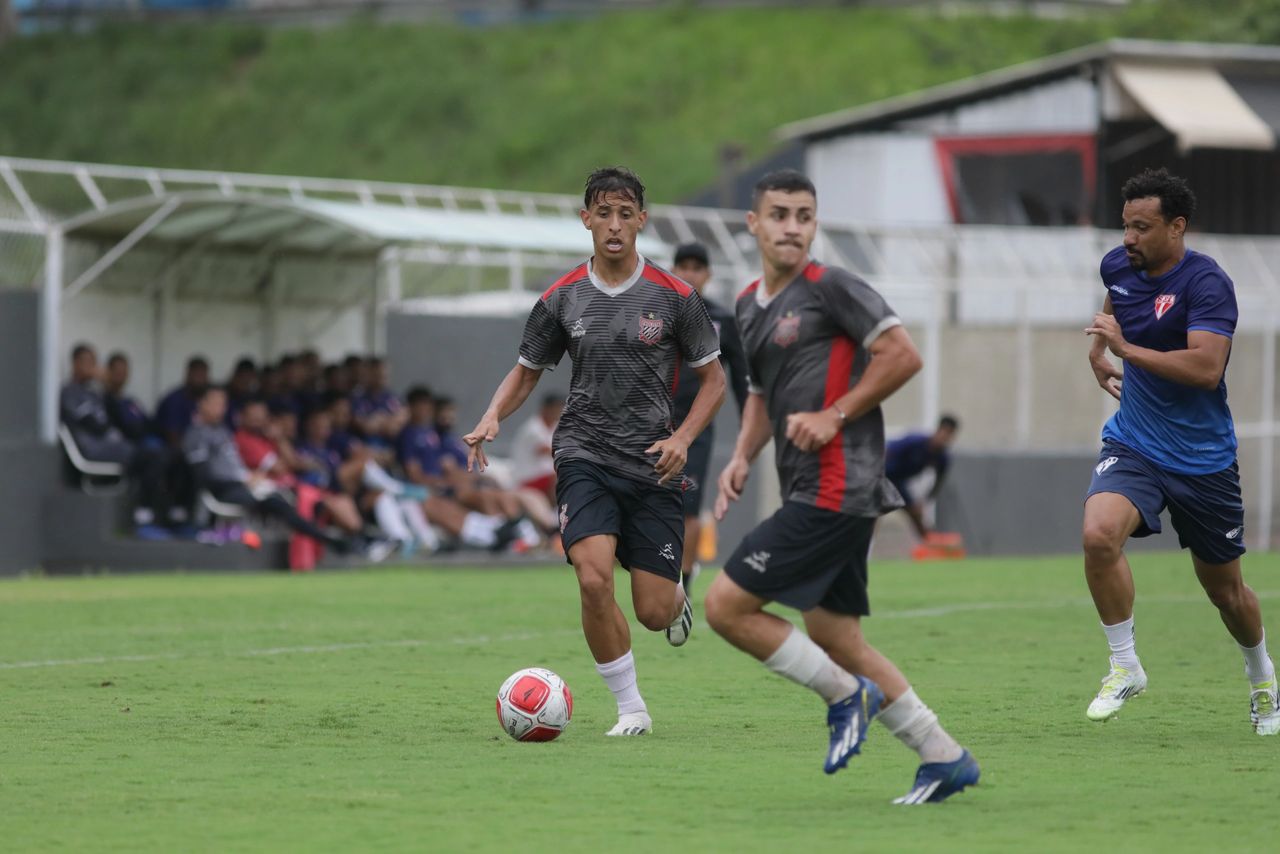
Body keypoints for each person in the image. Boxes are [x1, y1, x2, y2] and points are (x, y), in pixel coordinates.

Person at [709, 170, 978, 804]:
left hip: (838, 486)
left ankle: (843, 694)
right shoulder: (748, 304)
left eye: (804, 215)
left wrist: (836, 414)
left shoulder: (832, 289)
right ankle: (944, 755)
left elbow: (902, 354)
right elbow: (758, 393)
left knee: (726, 606)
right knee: (836, 637)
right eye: (779, 215)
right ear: (754, 224)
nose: (792, 227)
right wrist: (742, 456)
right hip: (814, 486)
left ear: (815, 224)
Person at [464, 166, 726, 736]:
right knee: (591, 578)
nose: (614, 225)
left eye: (625, 214)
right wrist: (490, 416)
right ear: (586, 219)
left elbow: (715, 382)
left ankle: (675, 591)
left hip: (654, 462)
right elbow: (526, 372)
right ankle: (631, 708)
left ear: (641, 222)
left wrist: (682, 438)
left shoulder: (677, 298)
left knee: (653, 612)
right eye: (603, 213)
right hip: (584, 454)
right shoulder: (560, 299)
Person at [1082, 167, 1277, 735]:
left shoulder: (1206, 284)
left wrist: (1125, 347)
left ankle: (1262, 677)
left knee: (1226, 593)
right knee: (1098, 535)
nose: (1128, 239)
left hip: (1202, 460)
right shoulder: (1119, 265)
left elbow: (1205, 367)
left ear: (1177, 226)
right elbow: (1113, 301)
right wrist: (1099, 347)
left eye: (1142, 227)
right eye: (1125, 226)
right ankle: (1124, 666)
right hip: (1136, 442)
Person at [181, 386, 359, 559]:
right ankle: (328, 539)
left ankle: (328, 538)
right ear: (202, 404)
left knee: (287, 501)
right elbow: (202, 476)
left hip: (246, 484)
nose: (220, 408)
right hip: (226, 489)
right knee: (279, 503)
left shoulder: (223, 431)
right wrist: (243, 479)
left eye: (223, 403)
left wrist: (249, 476)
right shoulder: (195, 435)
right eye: (215, 403)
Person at [669, 242, 750, 593]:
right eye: (682, 266)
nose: (689, 273)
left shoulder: (723, 320)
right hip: (649, 425)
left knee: (688, 504)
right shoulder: (656, 312)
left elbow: (742, 379)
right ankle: (656, 574)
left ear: (708, 274)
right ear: (673, 270)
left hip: (697, 428)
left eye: (696, 267)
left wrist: (750, 427)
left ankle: (683, 582)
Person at [884, 414, 960, 541]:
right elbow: (887, 452)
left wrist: (925, 500)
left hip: (898, 483)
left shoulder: (942, 457)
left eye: (949, 434)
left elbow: (939, 481)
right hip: (883, 478)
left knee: (916, 514)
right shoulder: (915, 441)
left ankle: (930, 546)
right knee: (873, 515)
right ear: (938, 430)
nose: (945, 438)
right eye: (944, 432)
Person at [509, 394, 564, 502]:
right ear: (546, 409)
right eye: (557, 409)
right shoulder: (532, 429)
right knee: (559, 476)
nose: (560, 412)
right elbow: (549, 451)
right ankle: (557, 511)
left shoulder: (556, 426)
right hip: (526, 480)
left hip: (544, 478)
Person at [155, 356, 210, 447]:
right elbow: (172, 437)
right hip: (171, 451)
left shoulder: (206, 400)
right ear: (188, 374)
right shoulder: (175, 400)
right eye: (197, 375)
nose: (200, 380)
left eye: (203, 375)